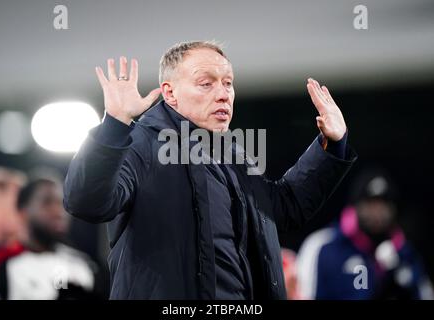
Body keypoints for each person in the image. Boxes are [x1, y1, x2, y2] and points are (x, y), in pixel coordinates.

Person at [63, 41, 357, 299]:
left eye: (228, 83)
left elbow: (284, 208)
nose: (223, 94)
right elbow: (86, 202)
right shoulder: (140, 143)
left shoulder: (235, 154)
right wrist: (114, 126)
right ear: (170, 93)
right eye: (206, 83)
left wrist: (332, 144)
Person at [296, 168, 434, 299]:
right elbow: (301, 295)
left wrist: (398, 277)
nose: (377, 213)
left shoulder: (405, 253)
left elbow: (424, 294)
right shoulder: (322, 245)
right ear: (355, 206)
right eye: (370, 204)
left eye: (384, 205)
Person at [0, 178, 98, 300]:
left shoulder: (85, 264)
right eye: (47, 203)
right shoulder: (3, 267)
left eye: (62, 203)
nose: (58, 212)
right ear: (23, 212)